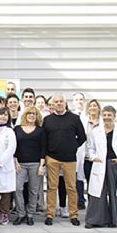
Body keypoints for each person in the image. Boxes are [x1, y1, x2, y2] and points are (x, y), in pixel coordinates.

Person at [42, 93, 87, 226]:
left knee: (71, 188)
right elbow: (44, 140)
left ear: (65, 103)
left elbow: (82, 137)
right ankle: (50, 214)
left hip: (69, 159)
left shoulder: (74, 118)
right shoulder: (47, 120)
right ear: (53, 104)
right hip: (52, 158)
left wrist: (72, 147)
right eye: (56, 102)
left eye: (61, 101)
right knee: (52, 187)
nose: (59, 104)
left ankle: (73, 214)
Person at [85, 106, 117, 228]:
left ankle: (113, 220)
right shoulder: (96, 131)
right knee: (97, 192)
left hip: (114, 163)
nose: (106, 117)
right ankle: (94, 220)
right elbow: (90, 148)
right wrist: (93, 157)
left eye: (109, 115)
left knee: (114, 192)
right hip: (100, 163)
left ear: (114, 116)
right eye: (104, 115)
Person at [13, 106, 46, 226]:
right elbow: (14, 147)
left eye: (34, 114)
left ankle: (30, 214)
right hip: (20, 164)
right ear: (25, 115)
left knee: (33, 190)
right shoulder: (17, 129)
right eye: (29, 113)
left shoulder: (40, 130)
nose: (32, 116)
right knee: (17, 188)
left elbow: (43, 148)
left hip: (35, 164)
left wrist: (42, 165)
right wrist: (15, 162)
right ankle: (21, 213)